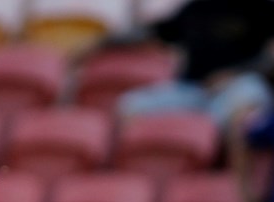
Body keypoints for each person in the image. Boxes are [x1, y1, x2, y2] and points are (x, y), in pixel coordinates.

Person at [111, 0, 274, 130]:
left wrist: (235, 73)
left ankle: (235, 170)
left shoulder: (259, 8)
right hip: (191, 89)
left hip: (237, 86)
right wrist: (100, 43)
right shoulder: (195, 8)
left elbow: (269, 60)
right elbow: (153, 33)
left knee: (248, 102)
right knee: (130, 105)